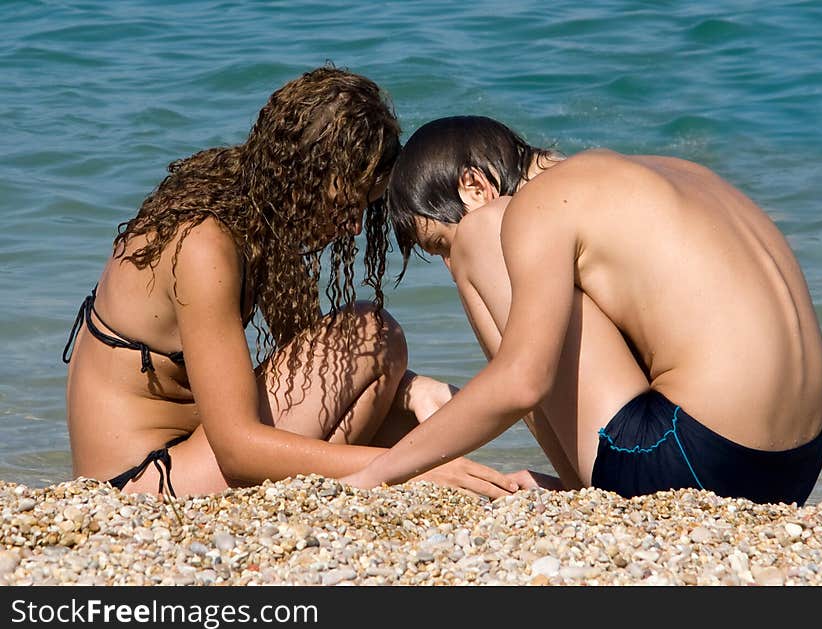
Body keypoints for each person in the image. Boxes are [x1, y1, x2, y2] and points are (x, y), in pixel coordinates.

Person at [62, 72, 518, 500]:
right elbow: (239, 447)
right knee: (372, 335)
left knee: (382, 365)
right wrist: (404, 467)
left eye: (366, 207)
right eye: (347, 203)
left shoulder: (249, 209)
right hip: (144, 482)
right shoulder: (203, 242)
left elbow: (313, 372)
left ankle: (480, 479)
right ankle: (426, 475)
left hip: (187, 458)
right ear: (303, 178)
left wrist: (412, 390)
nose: (355, 227)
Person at [340, 115, 822, 506]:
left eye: (440, 246)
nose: (452, 271)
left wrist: (376, 473)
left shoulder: (536, 206)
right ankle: (589, 485)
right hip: (798, 468)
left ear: (474, 186)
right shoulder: (668, 174)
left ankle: (589, 485)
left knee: (482, 235)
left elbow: (522, 381)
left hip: (696, 462)